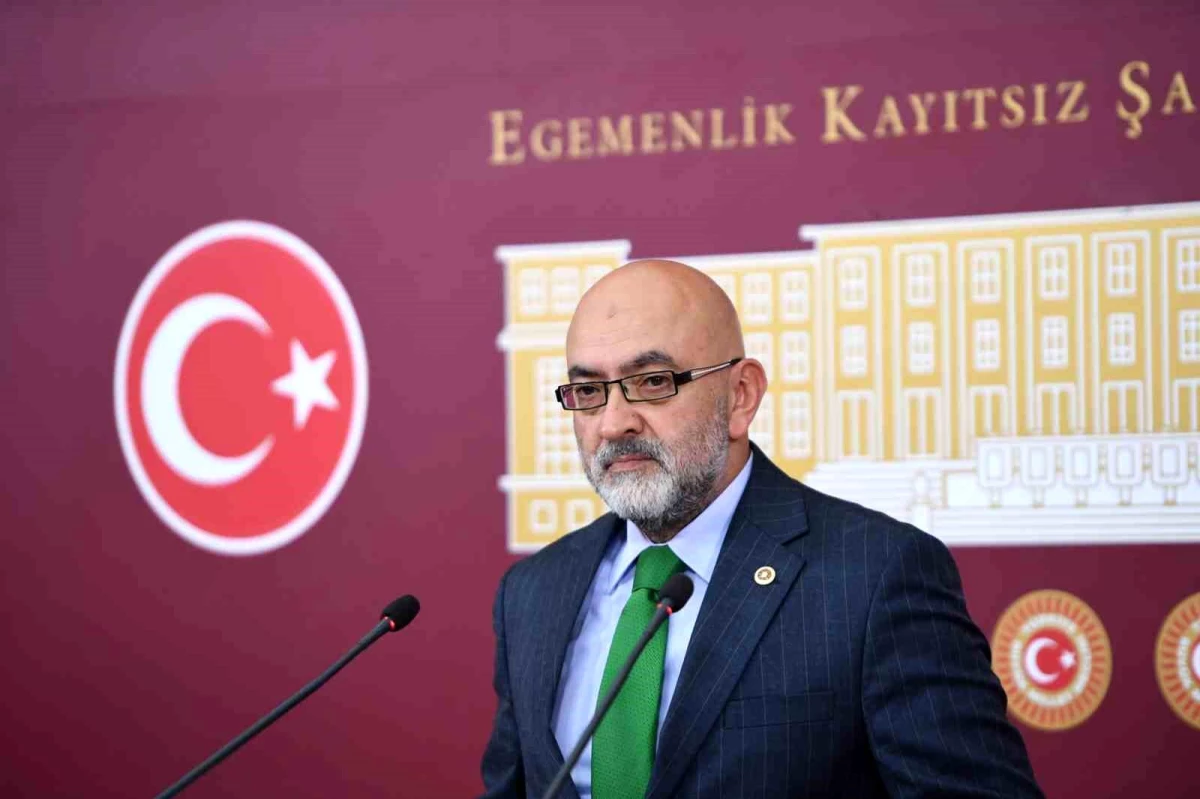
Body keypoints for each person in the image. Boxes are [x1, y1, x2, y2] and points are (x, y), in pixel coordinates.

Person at [480, 259, 1043, 799]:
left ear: (740, 397)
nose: (613, 422)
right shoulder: (532, 594)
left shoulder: (875, 579)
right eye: (588, 391)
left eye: (652, 381)